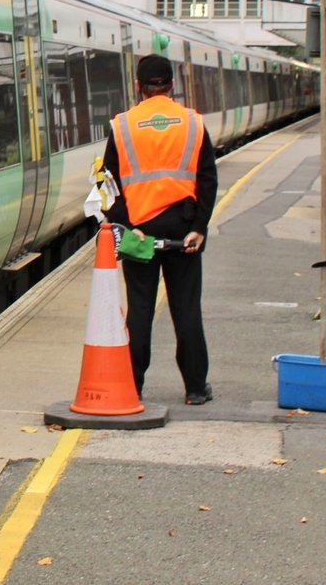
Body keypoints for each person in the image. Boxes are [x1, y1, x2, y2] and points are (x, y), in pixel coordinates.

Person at [101, 53, 218, 405]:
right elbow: (208, 178)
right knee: (186, 309)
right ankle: (196, 389)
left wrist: (124, 224)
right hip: (183, 232)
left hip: (140, 233)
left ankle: (133, 387)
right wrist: (199, 226)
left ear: (138, 86)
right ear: (172, 84)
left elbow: (108, 183)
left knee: (140, 310)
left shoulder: (122, 125)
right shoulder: (193, 123)